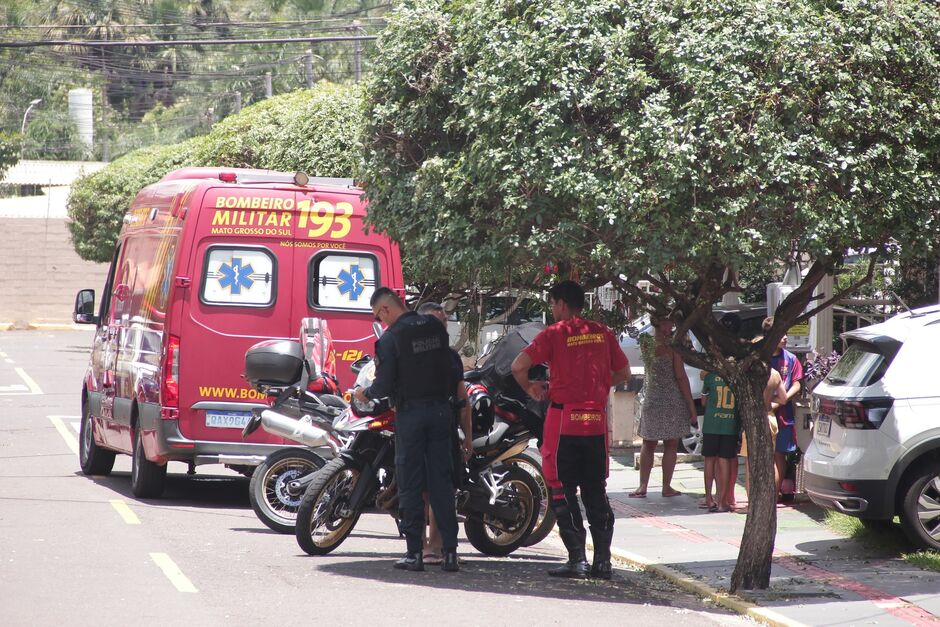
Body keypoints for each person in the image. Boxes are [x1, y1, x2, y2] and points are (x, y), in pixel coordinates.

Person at [510, 281, 630, 580]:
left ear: (562, 304)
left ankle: (577, 559)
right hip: (596, 421)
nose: (551, 311)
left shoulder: (553, 334)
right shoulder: (603, 333)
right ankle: (603, 562)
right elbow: (624, 373)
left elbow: (517, 366)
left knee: (562, 490)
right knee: (595, 490)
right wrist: (599, 386)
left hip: (564, 422)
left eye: (552, 305)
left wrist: (532, 387)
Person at [353, 288, 460, 572]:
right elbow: (450, 369)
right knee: (441, 483)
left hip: (411, 415)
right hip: (440, 412)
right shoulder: (435, 328)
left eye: (379, 315)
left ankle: (414, 553)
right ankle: (450, 553)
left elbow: (384, 385)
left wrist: (366, 393)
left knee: (411, 482)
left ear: (386, 310)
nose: (380, 320)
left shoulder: (390, 339)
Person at [415, 301, 473, 565]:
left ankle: (437, 546)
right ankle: (420, 545)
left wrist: (468, 439)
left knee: (441, 489)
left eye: (444, 324)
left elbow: (463, 400)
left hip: (443, 427)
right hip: (413, 427)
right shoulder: (409, 351)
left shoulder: (450, 357)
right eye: (435, 324)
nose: (440, 329)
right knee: (419, 489)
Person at [630, 316, 698, 499]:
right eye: (669, 322)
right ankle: (666, 487)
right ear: (659, 323)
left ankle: (642, 486)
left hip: (652, 396)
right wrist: (690, 405)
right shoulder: (672, 346)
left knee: (649, 442)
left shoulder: (646, 343)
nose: (672, 325)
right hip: (672, 398)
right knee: (671, 443)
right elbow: (681, 376)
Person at [762, 317, 804, 500]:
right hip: (762, 414)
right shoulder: (760, 358)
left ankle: (775, 495)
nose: (786, 337)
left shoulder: (791, 359)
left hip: (784, 416)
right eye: (781, 334)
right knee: (763, 456)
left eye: (786, 333)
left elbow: (797, 383)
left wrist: (782, 400)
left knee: (779, 455)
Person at [738, 362, 787, 513]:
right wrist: (770, 403)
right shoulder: (774, 373)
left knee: (750, 462)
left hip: (755, 418)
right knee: (770, 461)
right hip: (770, 417)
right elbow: (783, 399)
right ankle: (771, 501)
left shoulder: (750, 373)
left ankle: (752, 505)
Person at [699, 370, 740, 513]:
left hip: (711, 424)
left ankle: (709, 498)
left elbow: (703, 401)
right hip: (730, 424)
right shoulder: (736, 377)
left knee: (709, 460)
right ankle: (722, 500)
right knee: (725, 460)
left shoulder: (710, 377)